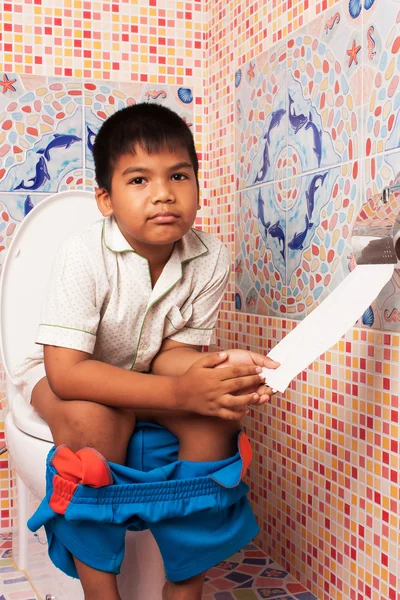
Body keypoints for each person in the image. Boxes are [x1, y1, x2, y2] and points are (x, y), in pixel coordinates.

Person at [13, 102, 278, 600]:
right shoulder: (82, 253)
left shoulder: (210, 256)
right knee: (97, 425)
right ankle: (100, 589)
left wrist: (212, 371)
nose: (163, 193)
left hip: (147, 376)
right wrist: (180, 392)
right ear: (105, 200)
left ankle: (184, 582)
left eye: (179, 175)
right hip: (63, 373)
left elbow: (170, 355)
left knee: (216, 421)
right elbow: (67, 374)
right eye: (138, 180)